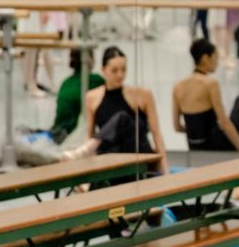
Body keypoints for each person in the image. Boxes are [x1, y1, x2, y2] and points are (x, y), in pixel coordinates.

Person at [64, 46, 169, 174]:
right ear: (103, 70)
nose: (120, 75)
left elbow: (156, 134)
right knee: (106, 144)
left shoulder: (142, 95)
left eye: (124, 70)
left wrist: (165, 170)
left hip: (138, 155)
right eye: (114, 70)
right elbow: (90, 136)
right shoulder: (92, 97)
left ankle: (83, 152)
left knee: (122, 118)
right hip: (111, 160)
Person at [172, 38, 239, 152]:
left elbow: (177, 127)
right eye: (215, 58)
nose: (217, 62)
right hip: (215, 143)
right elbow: (225, 124)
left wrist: (197, 132)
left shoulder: (178, 87)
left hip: (194, 146)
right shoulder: (210, 83)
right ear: (205, 58)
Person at [50, 50, 105, 145]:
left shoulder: (65, 82)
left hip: (56, 132)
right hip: (71, 135)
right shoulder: (95, 81)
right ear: (90, 60)